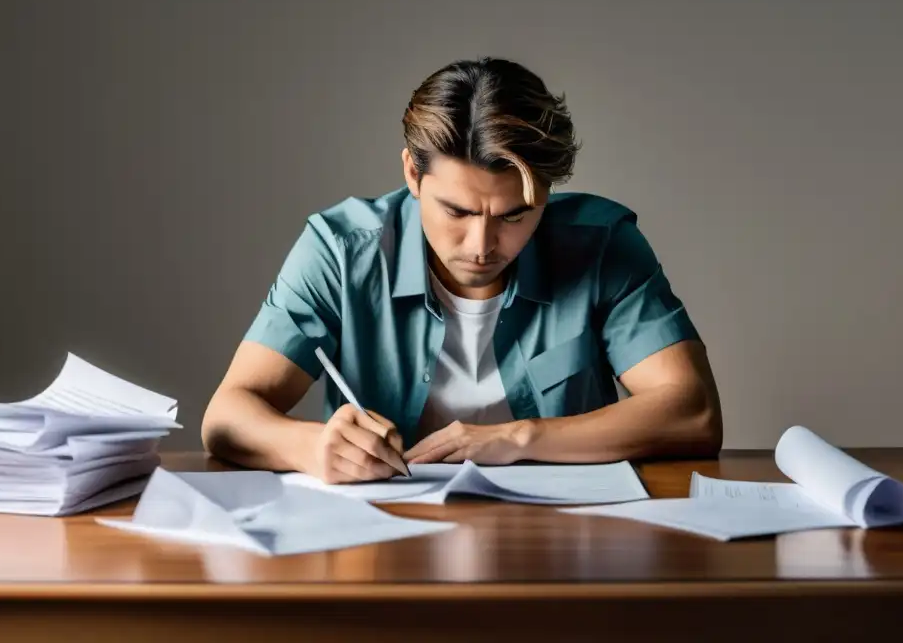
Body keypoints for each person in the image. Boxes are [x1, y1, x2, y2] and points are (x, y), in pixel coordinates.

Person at [201, 57, 723, 483]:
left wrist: (518, 438)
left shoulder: (603, 244)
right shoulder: (340, 251)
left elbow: (692, 411)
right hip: (386, 548)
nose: (482, 245)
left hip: (562, 547)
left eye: (515, 215)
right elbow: (226, 417)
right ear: (412, 171)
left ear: (547, 192)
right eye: (457, 211)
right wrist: (312, 446)